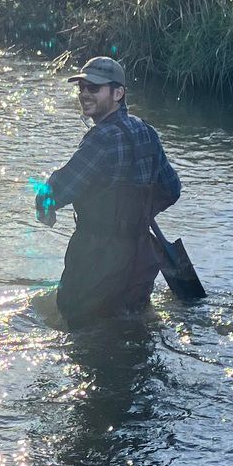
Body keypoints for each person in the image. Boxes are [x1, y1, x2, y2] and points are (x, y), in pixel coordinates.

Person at [35, 56, 181, 327]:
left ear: (118, 93)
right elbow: (172, 189)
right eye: (82, 88)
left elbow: (58, 190)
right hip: (140, 258)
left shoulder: (101, 138)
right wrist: (135, 215)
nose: (85, 94)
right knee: (133, 332)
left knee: (77, 335)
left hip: (97, 261)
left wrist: (44, 205)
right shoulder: (147, 131)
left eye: (94, 88)